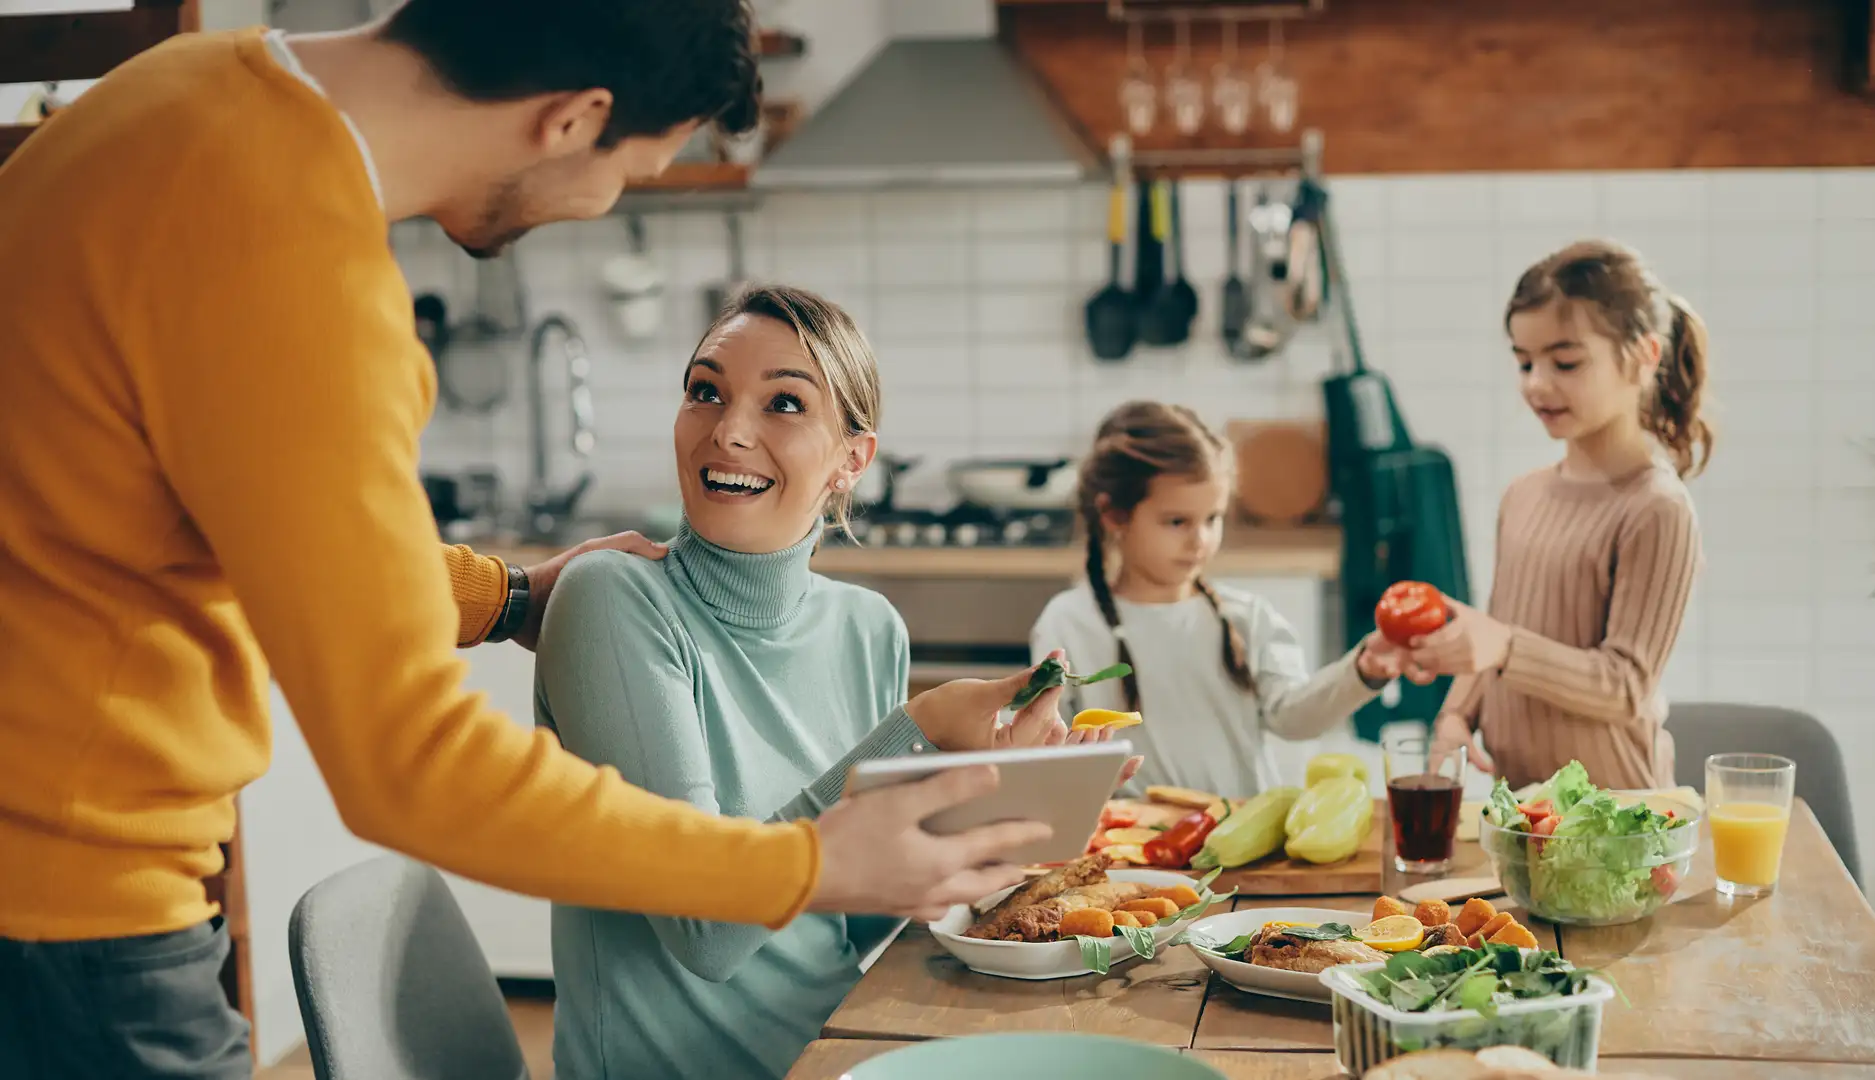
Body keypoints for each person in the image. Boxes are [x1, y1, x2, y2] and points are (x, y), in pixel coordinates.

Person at [0, 5, 1046, 1076]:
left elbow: (222, 523)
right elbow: (405, 765)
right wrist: (801, 865)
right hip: (67, 896)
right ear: (574, 118)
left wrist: (502, 597)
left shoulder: (183, 94)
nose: (605, 206)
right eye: (630, 172)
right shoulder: (289, 258)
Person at [535, 285, 1133, 1080]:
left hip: (841, 1048)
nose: (729, 430)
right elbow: (706, 931)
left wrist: (990, 798)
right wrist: (918, 730)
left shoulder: (866, 626)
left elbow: (851, 927)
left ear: (853, 461)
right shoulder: (612, 600)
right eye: (704, 391)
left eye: (783, 403)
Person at [1406, 239, 1709, 791]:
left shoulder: (1656, 509)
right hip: (1522, 814)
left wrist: (1503, 646)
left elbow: (1625, 686)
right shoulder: (1523, 495)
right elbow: (1503, 629)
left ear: (1644, 357)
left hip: (1617, 820)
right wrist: (1456, 713)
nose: (1536, 383)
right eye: (1524, 361)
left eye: (1565, 362)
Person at [1030, 402, 1409, 798]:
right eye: (1177, 522)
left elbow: (1294, 718)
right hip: (1128, 847)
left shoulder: (1247, 617)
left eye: (1212, 519)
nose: (1201, 541)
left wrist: (1363, 670)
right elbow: (1048, 751)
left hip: (1239, 844)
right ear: (1113, 515)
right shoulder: (1067, 623)